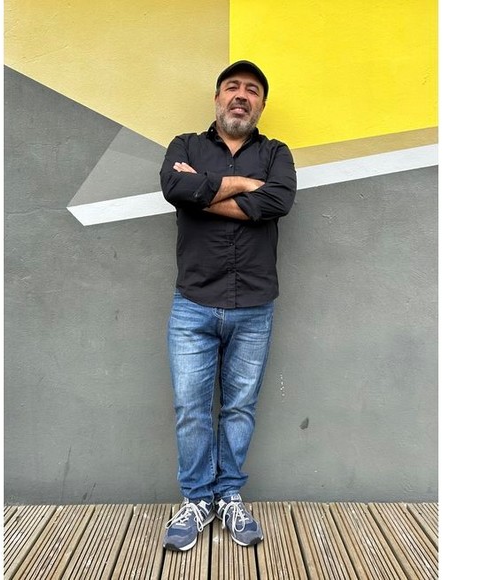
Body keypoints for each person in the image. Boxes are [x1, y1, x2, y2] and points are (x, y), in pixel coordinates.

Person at [158, 60, 297, 552]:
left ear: (261, 104)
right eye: (232, 87)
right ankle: (197, 500)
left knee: (239, 408)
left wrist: (203, 190)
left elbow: (278, 202)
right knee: (191, 409)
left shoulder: (276, 153)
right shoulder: (184, 146)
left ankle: (229, 495)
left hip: (254, 305)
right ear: (217, 98)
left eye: (252, 90)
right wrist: (243, 185)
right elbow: (174, 188)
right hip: (193, 303)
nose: (241, 95)